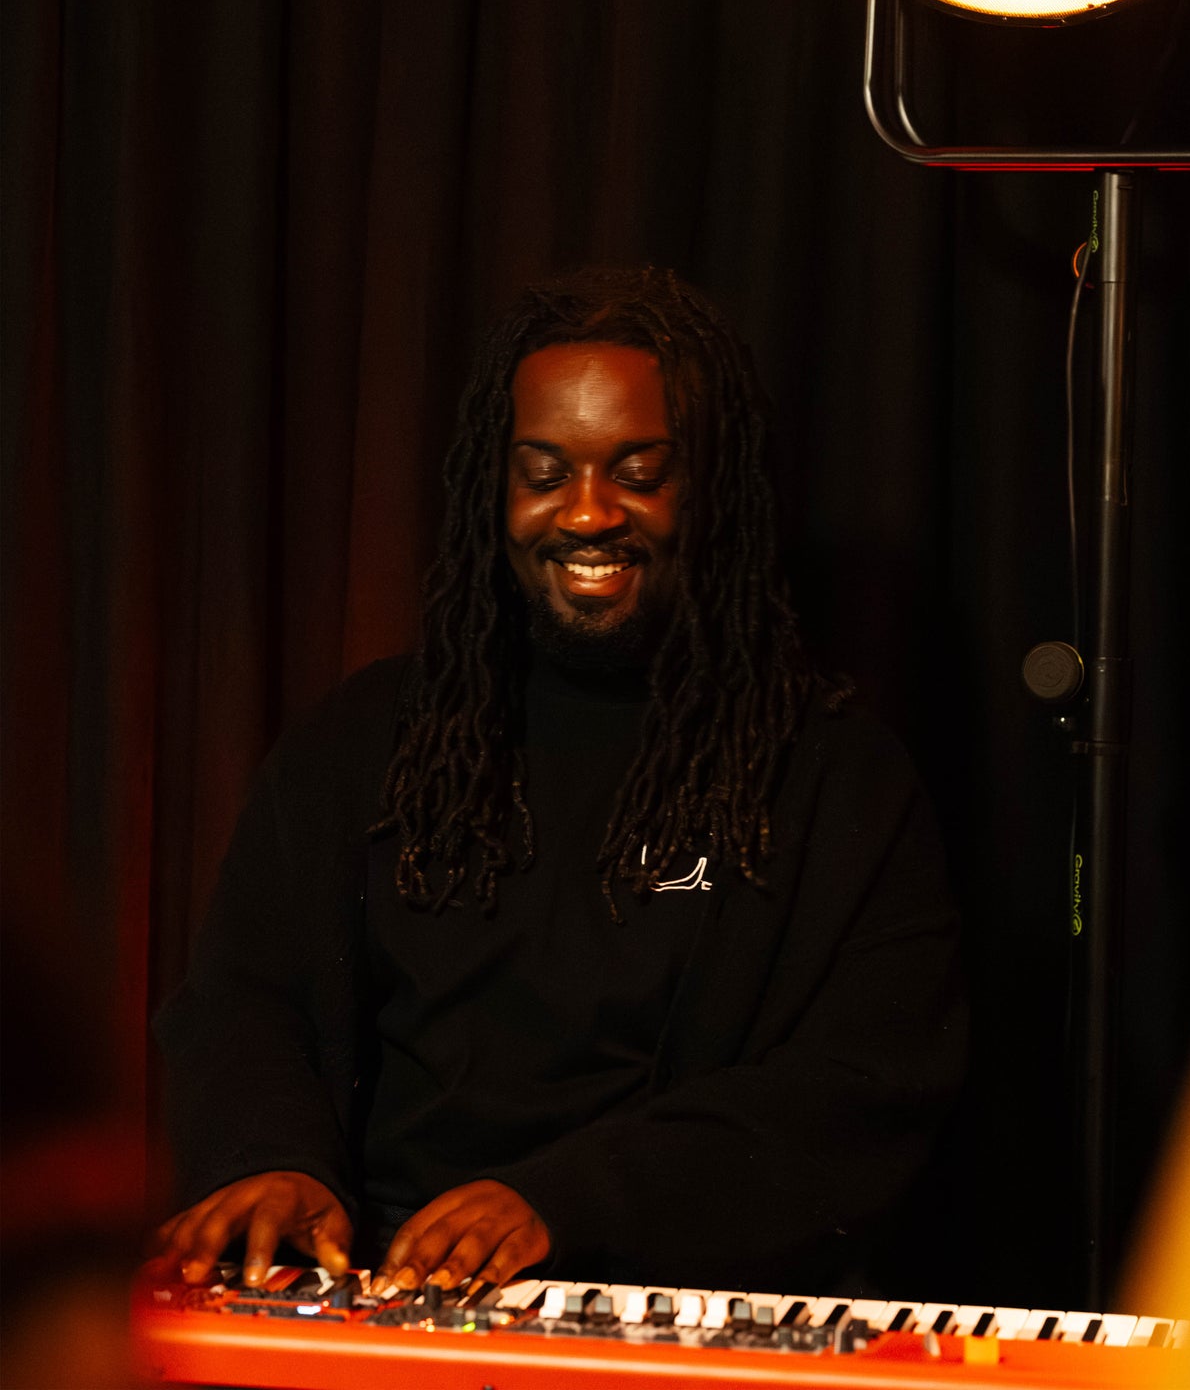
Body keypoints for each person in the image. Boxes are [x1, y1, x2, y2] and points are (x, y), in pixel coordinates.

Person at [153, 266, 965, 1302]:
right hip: (370, 1288)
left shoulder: (834, 778)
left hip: (660, 1305)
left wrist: (565, 1202)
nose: (586, 514)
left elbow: (860, 1087)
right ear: (496, 490)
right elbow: (241, 996)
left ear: (708, 488)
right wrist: (271, 1159)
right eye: (544, 472)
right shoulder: (363, 739)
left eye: (638, 472)